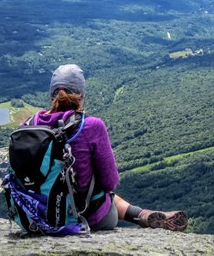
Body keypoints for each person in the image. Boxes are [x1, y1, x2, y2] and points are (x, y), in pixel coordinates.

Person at [25, 64, 187, 232]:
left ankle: (143, 215)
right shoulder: (91, 126)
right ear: (81, 95)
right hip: (84, 217)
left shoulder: (29, 126)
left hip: (34, 217)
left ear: (51, 95)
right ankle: (142, 215)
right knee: (104, 194)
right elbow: (110, 182)